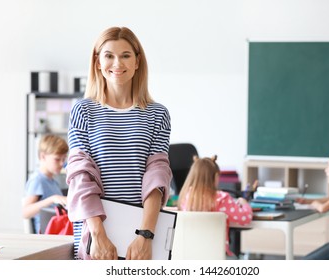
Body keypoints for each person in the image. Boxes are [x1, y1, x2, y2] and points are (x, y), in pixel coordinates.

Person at [66, 26, 172, 260]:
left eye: (126, 55)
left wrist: (146, 234)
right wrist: (98, 234)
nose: (117, 63)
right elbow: (80, 175)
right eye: (109, 55)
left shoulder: (158, 114)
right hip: (95, 232)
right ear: (97, 63)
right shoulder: (82, 111)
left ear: (137, 62)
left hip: (141, 235)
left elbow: (157, 177)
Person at [177, 155, 253, 257]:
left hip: (188, 255)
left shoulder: (185, 197)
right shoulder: (222, 199)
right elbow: (245, 218)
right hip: (217, 256)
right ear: (216, 176)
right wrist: (244, 203)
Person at [22, 134, 69, 234]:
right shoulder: (37, 180)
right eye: (57, 159)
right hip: (48, 233)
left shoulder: (53, 182)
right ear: (43, 156)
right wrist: (52, 199)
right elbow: (25, 212)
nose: (62, 163)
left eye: (63, 159)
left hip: (58, 230)